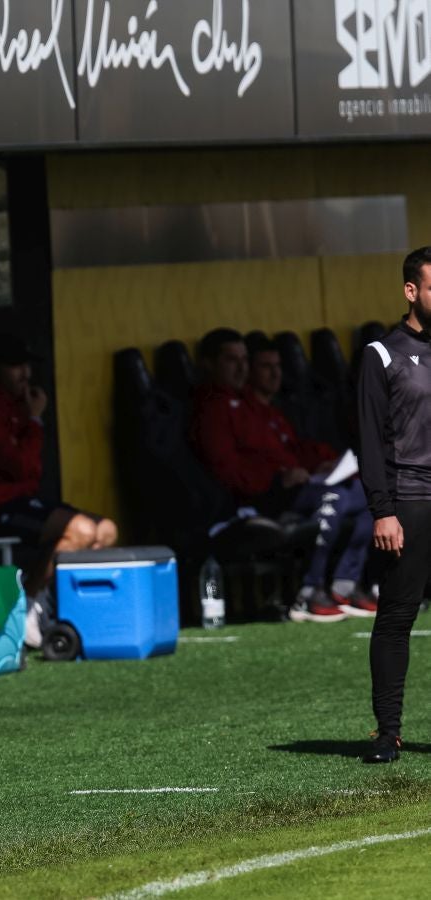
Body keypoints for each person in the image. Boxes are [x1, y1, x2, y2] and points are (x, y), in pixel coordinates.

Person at [191, 329, 374, 622]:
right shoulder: (212, 409)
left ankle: (345, 584)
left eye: (244, 360)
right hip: (256, 499)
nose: (241, 368)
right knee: (335, 497)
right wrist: (278, 477)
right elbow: (225, 468)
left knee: (369, 494)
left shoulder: (256, 406)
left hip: (292, 488)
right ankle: (308, 591)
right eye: (231, 360)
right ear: (209, 364)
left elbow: (292, 449)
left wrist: (324, 464)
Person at [0, 333, 119, 644]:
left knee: (106, 530)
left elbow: (30, 472)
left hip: (19, 500)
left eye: (27, 365)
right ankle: (26, 606)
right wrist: (35, 421)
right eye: (16, 365)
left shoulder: (19, 404)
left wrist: (30, 421)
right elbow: (19, 466)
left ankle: (57, 605)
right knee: (82, 531)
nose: (25, 373)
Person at [358, 246, 431, 763]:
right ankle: (388, 733)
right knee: (396, 617)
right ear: (411, 291)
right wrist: (383, 510)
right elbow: (369, 440)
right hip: (409, 502)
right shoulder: (381, 354)